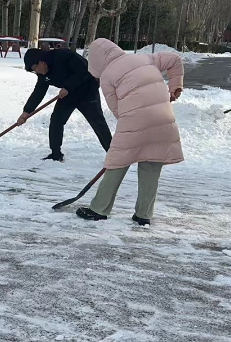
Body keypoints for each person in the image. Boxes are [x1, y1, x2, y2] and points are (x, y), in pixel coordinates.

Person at [74, 39, 184, 226]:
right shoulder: (146, 58)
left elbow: (115, 108)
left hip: (134, 121)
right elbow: (175, 60)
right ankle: (144, 214)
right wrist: (175, 86)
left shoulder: (107, 75)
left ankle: (99, 209)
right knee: (152, 164)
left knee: (116, 163)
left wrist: (130, 120)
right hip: (163, 118)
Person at [18, 48, 113, 161]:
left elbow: (85, 70)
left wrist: (68, 86)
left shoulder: (63, 56)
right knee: (56, 121)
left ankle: (114, 154)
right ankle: (56, 154)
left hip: (87, 91)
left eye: (35, 69)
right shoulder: (43, 74)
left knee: (97, 122)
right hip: (68, 95)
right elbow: (39, 92)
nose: (36, 72)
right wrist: (26, 112)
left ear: (41, 62)